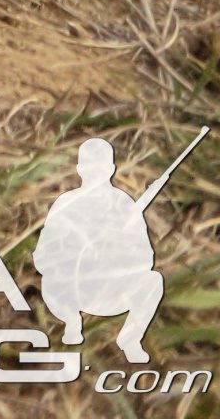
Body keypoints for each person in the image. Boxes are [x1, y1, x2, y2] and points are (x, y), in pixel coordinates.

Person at [35, 137, 167, 362]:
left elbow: (146, 258)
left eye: (100, 167)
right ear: (79, 169)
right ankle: (71, 323)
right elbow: (42, 256)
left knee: (153, 281)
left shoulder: (125, 205)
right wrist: (75, 253)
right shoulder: (65, 203)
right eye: (89, 166)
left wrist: (119, 250)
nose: (94, 173)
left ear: (111, 169)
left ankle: (131, 339)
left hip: (113, 289)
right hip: (73, 288)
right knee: (50, 280)